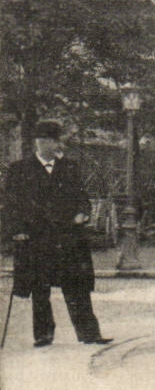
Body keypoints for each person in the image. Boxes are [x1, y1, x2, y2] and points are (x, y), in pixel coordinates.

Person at [3, 122, 111, 346]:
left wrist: (83, 212)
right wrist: (17, 230)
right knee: (39, 287)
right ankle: (43, 334)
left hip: (68, 236)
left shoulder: (70, 168)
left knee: (77, 285)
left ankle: (89, 333)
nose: (58, 145)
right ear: (42, 143)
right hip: (37, 237)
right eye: (54, 141)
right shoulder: (19, 170)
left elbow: (83, 197)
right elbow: (10, 205)